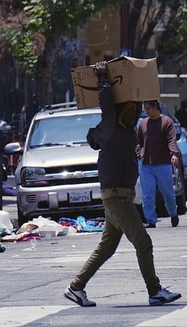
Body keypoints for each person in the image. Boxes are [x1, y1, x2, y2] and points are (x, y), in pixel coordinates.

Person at [64, 61, 181, 307]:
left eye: (134, 109)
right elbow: (108, 110)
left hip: (120, 196)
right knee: (143, 242)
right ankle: (155, 290)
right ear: (118, 113)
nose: (132, 113)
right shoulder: (110, 129)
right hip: (115, 196)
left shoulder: (130, 130)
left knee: (106, 248)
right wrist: (104, 79)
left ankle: (76, 287)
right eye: (127, 110)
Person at [136, 100, 180, 228]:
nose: (147, 111)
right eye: (145, 109)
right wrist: (140, 154)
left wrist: (174, 154)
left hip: (163, 163)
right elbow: (139, 142)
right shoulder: (143, 124)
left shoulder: (166, 122)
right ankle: (150, 220)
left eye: (149, 108)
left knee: (167, 192)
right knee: (147, 194)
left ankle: (173, 213)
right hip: (146, 164)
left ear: (156, 108)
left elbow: (171, 139)